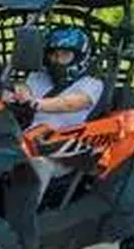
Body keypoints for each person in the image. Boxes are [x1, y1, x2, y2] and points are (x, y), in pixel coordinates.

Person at [7, 26, 104, 203]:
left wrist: (37, 103)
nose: (57, 60)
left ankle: (23, 221)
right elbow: (22, 89)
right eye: (53, 54)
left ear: (80, 58)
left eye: (64, 55)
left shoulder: (92, 84)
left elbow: (71, 103)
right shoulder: (39, 77)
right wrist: (16, 93)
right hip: (27, 140)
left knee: (38, 166)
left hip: (63, 152)